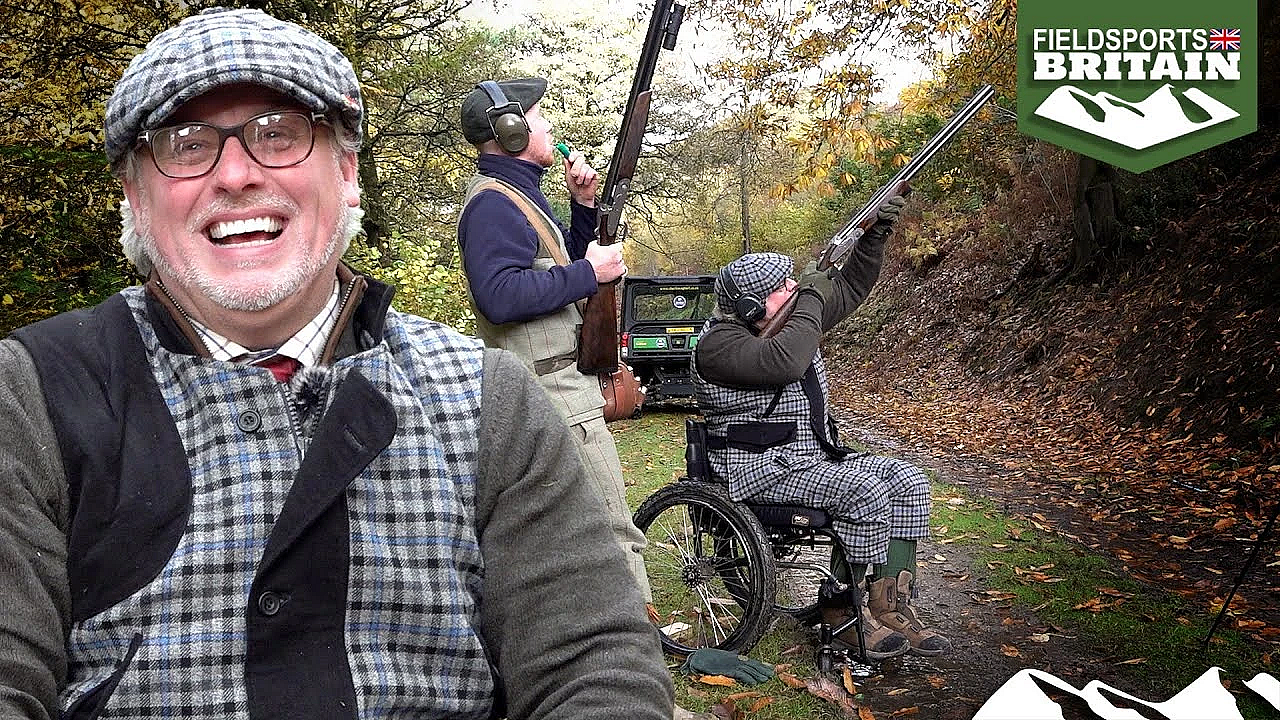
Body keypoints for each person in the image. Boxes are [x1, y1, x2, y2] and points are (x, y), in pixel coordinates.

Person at [0, 8, 673, 719]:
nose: (235, 173)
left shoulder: (489, 402)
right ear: (136, 196)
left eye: (279, 134)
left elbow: (593, 665)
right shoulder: (31, 396)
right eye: (187, 143)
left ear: (347, 172)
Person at [690, 198, 952, 661]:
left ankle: (890, 605)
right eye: (783, 286)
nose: (794, 288)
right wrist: (810, 293)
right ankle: (842, 615)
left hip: (810, 457)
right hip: (758, 469)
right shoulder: (717, 346)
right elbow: (785, 360)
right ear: (753, 305)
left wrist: (874, 236)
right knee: (865, 493)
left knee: (910, 482)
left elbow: (848, 290)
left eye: (794, 281)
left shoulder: (787, 321)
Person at [456, 78, 652, 605]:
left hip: (556, 389)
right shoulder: (492, 206)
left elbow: (557, 264)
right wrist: (590, 272)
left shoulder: (520, 197)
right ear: (511, 131)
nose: (548, 127)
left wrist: (583, 206)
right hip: (554, 396)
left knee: (567, 535)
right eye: (538, 117)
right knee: (612, 529)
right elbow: (499, 295)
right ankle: (637, 652)